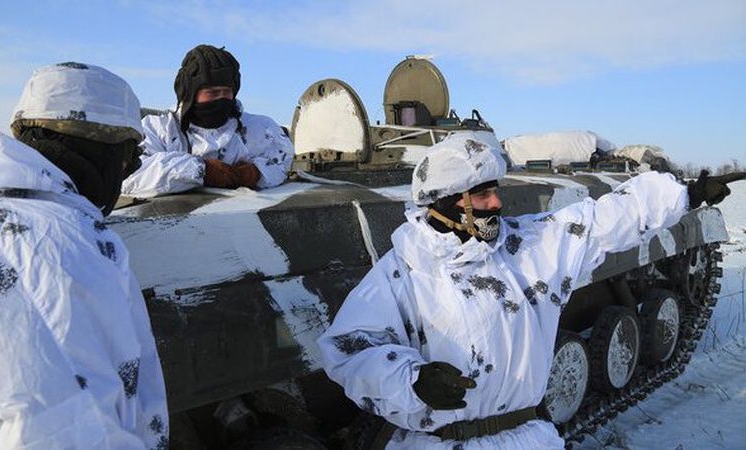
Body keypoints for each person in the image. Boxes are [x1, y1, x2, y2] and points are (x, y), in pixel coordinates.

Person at [316, 131, 743, 449]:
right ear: (445, 202)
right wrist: (410, 380)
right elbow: (350, 349)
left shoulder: (525, 248)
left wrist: (684, 193)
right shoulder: (404, 272)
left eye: (494, 191)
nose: (496, 204)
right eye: (481, 195)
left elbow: (603, 220)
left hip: (526, 439)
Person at [0, 62, 169, 449]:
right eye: (128, 159)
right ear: (101, 147)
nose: (126, 173)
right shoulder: (43, 244)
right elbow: (65, 433)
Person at [121, 44, 294, 197]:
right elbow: (130, 175)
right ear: (189, 93)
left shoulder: (261, 129)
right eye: (212, 92)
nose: (221, 99)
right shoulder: (157, 129)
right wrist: (201, 170)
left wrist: (257, 172)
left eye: (227, 92)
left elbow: (283, 158)